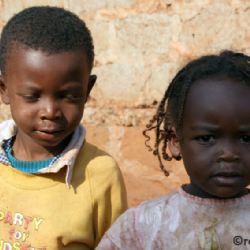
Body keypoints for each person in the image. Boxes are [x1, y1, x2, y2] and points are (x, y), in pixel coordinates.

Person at [0, 6, 127, 249]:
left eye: (68, 96)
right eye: (32, 96)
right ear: (4, 89)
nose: (50, 112)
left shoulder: (99, 175)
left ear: (87, 90)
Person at [96, 51, 250, 250]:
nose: (229, 154)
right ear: (175, 141)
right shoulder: (141, 228)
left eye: (247, 138)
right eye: (207, 138)